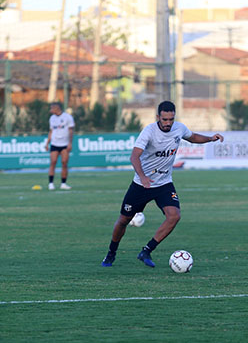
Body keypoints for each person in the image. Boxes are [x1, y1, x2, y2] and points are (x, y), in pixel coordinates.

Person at [101, 100, 224, 268]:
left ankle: (146, 250)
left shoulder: (179, 128)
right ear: (158, 117)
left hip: (164, 184)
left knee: (174, 216)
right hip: (141, 185)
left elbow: (193, 137)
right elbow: (134, 157)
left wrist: (210, 138)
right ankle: (111, 253)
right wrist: (143, 177)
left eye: (170, 119)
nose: (168, 123)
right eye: (165, 119)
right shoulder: (149, 132)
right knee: (123, 220)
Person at [44, 102, 75, 190]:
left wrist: (70, 143)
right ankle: (51, 183)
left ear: (57, 108)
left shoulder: (68, 117)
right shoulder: (52, 118)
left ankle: (63, 184)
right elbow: (51, 131)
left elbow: (71, 131)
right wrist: (47, 143)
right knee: (53, 162)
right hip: (54, 143)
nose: (50, 110)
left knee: (64, 163)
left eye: (51, 108)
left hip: (64, 144)